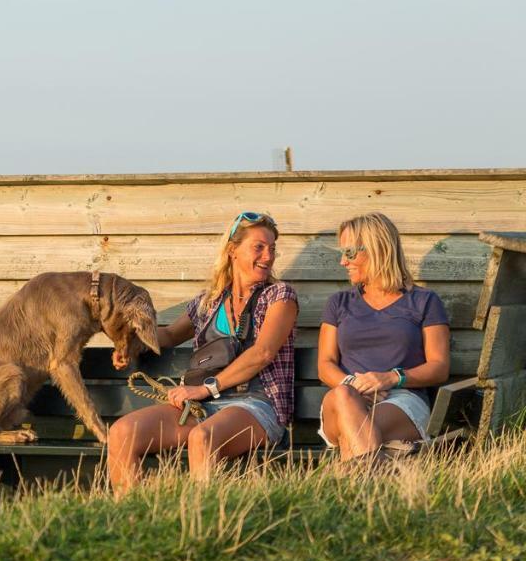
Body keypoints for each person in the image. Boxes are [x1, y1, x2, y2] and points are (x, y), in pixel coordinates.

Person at [107, 212, 298, 494]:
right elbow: (170, 335)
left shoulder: (279, 297)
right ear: (233, 250)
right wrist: (130, 340)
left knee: (203, 438)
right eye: (259, 247)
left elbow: (263, 352)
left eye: (272, 248)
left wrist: (205, 389)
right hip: (202, 407)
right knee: (121, 433)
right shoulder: (207, 302)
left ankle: (203, 525)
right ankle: (135, 522)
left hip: (257, 405)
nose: (268, 256)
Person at [317, 212, 450, 461]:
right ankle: (371, 485)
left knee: (355, 431)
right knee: (345, 399)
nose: (343, 262)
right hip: (344, 394)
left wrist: (391, 378)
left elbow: (439, 368)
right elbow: (325, 365)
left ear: (377, 250)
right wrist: (353, 385)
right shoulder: (339, 303)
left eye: (350, 253)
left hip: (402, 399)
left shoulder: (424, 301)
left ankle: (357, 488)